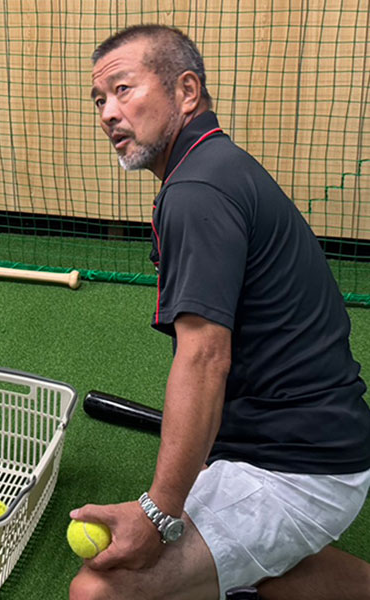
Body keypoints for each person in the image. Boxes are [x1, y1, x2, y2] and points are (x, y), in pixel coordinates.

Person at [70, 24, 370, 600]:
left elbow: (204, 357)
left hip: (301, 467)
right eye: (99, 100)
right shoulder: (214, 164)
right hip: (314, 443)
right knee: (252, 580)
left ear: (187, 91)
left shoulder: (198, 190)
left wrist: (158, 512)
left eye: (124, 90)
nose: (108, 113)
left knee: (98, 590)